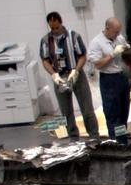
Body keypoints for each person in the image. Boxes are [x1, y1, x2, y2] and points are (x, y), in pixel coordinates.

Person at [39, 11, 97, 139]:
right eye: (52, 28)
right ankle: (73, 137)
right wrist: (53, 74)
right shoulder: (45, 40)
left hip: (76, 75)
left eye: (56, 27)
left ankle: (94, 136)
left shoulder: (74, 36)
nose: (54, 30)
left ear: (61, 23)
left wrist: (76, 70)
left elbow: (82, 55)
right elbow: (45, 60)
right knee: (66, 112)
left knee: (87, 109)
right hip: (59, 77)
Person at [87, 18, 131, 143]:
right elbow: (98, 65)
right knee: (113, 114)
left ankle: (123, 141)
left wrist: (127, 49)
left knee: (124, 112)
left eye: (119, 32)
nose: (117, 34)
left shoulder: (119, 38)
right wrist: (112, 55)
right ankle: (116, 143)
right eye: (115, 32)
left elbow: (125, 51)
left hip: (122, 77)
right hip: (109, 80)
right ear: (107, 28)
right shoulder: (96, 43)